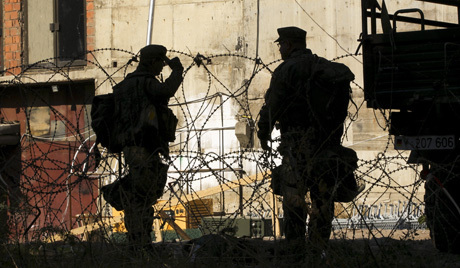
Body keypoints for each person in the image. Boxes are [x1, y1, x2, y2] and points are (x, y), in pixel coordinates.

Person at [257, 26, 352, 253]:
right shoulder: (327, 69)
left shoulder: (286, 70)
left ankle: (297, 248)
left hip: (296, 145)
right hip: (326, 145)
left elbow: (272, 108)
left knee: (294, 197)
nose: (280, 48)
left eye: (281, 44)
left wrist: (263, 134)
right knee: (322, 198)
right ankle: (319, 247)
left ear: (289, 45)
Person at [104, 44, 183, 247]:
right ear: (153, 62)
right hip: (143, 147)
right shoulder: (145, 83)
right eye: (160, 63)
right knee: (143, 194)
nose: (161, 69)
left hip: (131, 147)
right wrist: (177, 71)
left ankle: (137, 239)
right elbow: (166, 91)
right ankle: (139, 242)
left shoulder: (125, 85)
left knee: (140, 192)